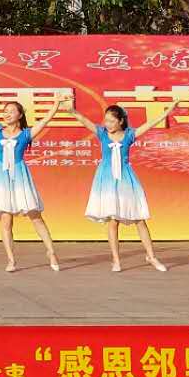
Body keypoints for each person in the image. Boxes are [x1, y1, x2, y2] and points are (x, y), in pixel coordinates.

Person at [0, 80, 66, 272]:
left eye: (11, 111)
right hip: (1, 178)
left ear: (20, 115)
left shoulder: (26, 134)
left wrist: (56, 104)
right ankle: (11, 260)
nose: (7, 114)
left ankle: (51, 252)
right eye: (5, 111)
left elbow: (45, 121)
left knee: (35, 216)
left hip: (20, 177)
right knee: (6, 220)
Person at [64, 102, 170, 273]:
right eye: (106, 121)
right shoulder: (102, 133)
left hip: (125, 179)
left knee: (139, 219)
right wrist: (71, 110)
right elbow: (83, 119)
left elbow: (150, 124)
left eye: (112, 121)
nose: (108, 124)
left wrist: (166, 112)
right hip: (107, 179)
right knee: (113, 221)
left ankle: (151, 256)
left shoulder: (129, 135)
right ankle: (116, 260)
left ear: (121, 121)